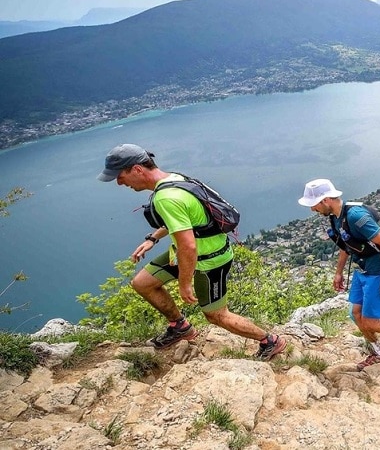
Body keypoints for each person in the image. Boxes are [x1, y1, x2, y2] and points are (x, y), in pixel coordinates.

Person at [98, 144, 286, 360]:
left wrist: (184, 283)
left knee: (216, 315)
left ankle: (270, 341)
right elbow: (184, 221)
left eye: (120, 176)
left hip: (210, 261)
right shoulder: (174, 179)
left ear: (137, 170)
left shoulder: (166, 198)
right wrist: (152, 239)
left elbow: (189, 245)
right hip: (188, 255)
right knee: (143, 283)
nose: (120, 183)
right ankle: (180, 326)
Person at [298, 178, 380, 370]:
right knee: (356, 314)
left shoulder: (355, 216)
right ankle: (379, 353)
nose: (312, 210)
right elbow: (346, 246)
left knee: (371, 320)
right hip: (362, 270)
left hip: (378, 271)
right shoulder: (336, 217)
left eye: (313, 205)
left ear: (325, 200)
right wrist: (338, 273)